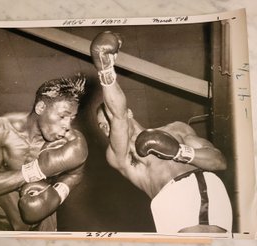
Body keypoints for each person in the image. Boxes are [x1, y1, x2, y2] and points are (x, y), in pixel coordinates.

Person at [90, 31, 232, 234]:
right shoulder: (119, 155)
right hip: (167, 200)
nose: (106, 128)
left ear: (131, 112)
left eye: (107, 121)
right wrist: (105, 69)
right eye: (102, 126)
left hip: (203, 186)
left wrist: (178, 152)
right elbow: (118, 115)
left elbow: (219, 161)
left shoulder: (177, 129)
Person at [0, 74, 88, 231]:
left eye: (71, 118)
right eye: (62, 116)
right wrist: (38, 170)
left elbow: (75, 175)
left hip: (42, 209)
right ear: (40, 108)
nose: (67, 125)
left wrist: (58, 195)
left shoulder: (70, 142)